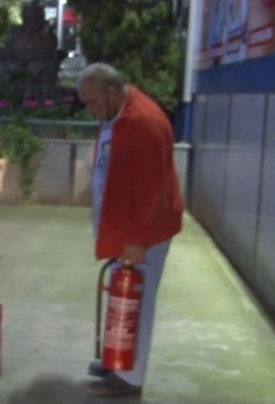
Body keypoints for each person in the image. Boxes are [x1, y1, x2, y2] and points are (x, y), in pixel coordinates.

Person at [77, 63, 183, 397]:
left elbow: (153, 191)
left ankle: (129, 378)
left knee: (139, 301)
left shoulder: (144, 123)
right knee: (121, 298)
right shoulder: (115, 115)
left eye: (93, 102)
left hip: (145, 233)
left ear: (111, 91)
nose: (90, 110)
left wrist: (137, 240)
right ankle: (117, 360)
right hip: (124, 226)